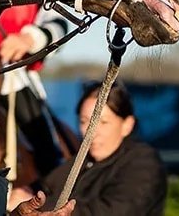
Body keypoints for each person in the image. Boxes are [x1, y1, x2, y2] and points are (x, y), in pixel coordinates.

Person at [10, 82, 166, 216]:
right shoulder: (81, 162)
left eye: (103, 122)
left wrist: (39, 206)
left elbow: (114, 211)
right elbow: (44, 186)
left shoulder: (143, 162)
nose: (92, 133)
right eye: (85, 122)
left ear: (127, 125)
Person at [0, 4, 73, 177]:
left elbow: (59, 23)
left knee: (46, 150)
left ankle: (50, 183)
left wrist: (29, 39)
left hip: (10, 72)